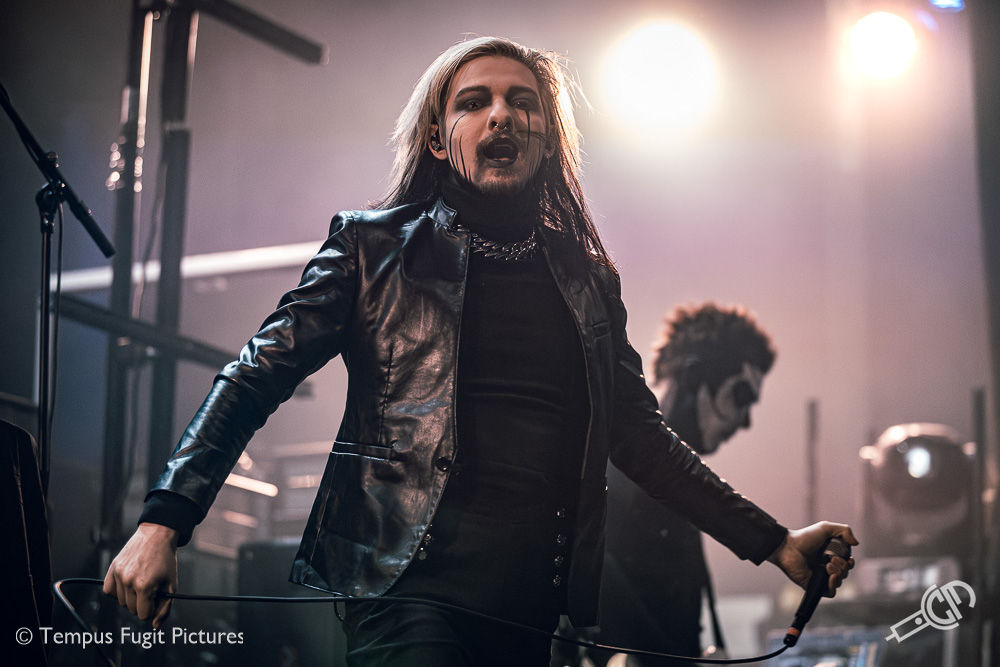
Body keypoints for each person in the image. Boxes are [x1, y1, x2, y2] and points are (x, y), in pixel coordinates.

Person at [103, 37, 856, 667]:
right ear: (439, 138)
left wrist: (774, 542)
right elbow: (254, 376)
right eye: (474, 102)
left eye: (523, 102)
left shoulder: (588, 280)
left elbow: (641, 438)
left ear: (547, 137)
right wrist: (164, 521)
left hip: (532, 610)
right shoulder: (373, 249)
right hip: (405, 591)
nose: (501, 114)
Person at [589, 303, 777, 666]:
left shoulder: (678, 490)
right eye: (740, 396)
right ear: (693, 379)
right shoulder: (621, 472)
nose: (745, 422)